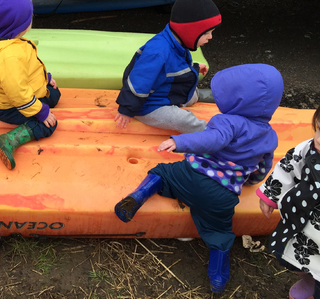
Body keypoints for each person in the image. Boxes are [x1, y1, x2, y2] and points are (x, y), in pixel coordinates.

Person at [114, 64, 284, 293]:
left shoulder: (228, 122)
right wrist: (252, 181)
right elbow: (263, 167)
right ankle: (218, 277)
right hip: (222, 195)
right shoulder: (270, 136)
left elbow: (213, 139)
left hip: (191, 175)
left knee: (162, 172)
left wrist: (180, 142)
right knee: (220, 233)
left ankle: (137, 197)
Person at [0, 0, 60, 170]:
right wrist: (41, 112)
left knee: (54, 94)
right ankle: (9, 140)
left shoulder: (11, 39)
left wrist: (45, 78)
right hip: (9, 107)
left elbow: (27, 68)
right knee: (49, 124)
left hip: (18, 96)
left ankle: (42, 101)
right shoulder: (9, 57)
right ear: (22, 25)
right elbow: (18, 94)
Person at [114, 0, 221, 134]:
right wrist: (126, 109)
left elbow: (171, 66)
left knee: (190, 94)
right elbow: (139, 80)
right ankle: (212, 133)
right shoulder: (158, 51)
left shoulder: (177, 41)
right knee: (182, 119)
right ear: (189, 31)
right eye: (206, 33)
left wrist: (195, 67)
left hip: (164, 93)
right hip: (149, 105)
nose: (210, 37)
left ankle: (196, 95)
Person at [258, 104, 320, 299]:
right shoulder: (309, 149)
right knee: (287, 255)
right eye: (319, 129)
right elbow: (289, 165)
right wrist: (271, 194)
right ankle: (309, 279)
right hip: (300, 224)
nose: (318, 139)